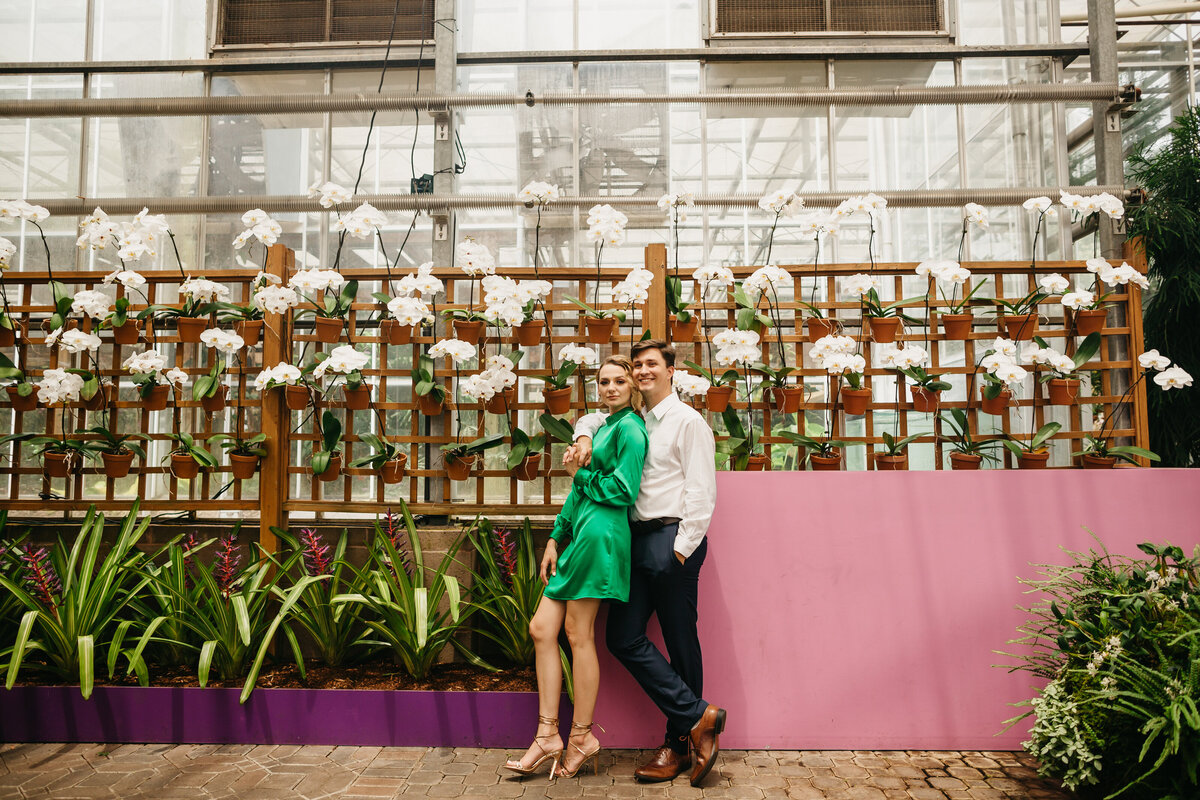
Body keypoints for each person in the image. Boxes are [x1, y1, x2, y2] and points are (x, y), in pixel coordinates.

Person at [568, 339, 724, 786]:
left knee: (680, 642)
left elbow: (702, 489)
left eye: (651, 364)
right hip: (635, 541)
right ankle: (700, 717)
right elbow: (591, 417)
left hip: (672, 539)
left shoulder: (687, 421)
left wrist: (682, 547)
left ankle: (677, 747)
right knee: (623, 637)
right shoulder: (631, 420)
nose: (642, 371)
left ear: (671, 370)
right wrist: (581, 435)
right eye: (637, 365)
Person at [504, 355, 648, 780]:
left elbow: (623, 490)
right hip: (580, 534)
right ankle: (548, 734)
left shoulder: (631, 430)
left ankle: (581, 735)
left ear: (633, 387)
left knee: (577, 634)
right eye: (604, 381)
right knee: (541, 629)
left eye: (620, 381)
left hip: (603, 536)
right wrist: (554, 538)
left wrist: (577, 475)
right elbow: (579, 491)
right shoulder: (601, 426)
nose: (611, 387)